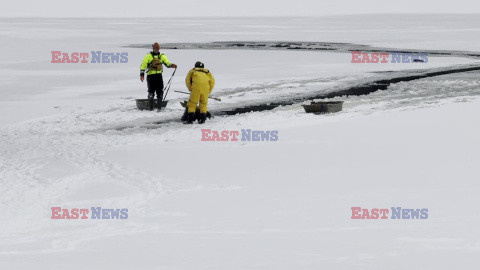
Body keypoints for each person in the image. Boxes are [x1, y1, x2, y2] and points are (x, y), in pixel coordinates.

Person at [140, 42, 177, 110]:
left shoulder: (162, 56)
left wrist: (172, 65)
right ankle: (151, 108)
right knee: (151, 92)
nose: (156, 50)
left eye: (157, 49)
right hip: (151, 76)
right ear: (153, 48)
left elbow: (167, 63)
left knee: (160, 92)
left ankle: (159, 108)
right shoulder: (148, 56)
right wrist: (142, 74)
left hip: (159, 76)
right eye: (155, 49)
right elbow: (143, 65)